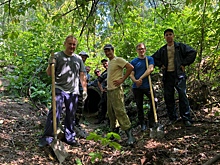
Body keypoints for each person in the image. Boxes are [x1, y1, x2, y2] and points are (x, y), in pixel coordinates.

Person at [38, 35, 87, 147]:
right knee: (55, 112)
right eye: (70, 44)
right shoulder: (58, 55)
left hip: (73, 91)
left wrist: (84, 90)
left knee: (71, 115)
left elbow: (82, 75)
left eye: (74, 44)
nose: (72, 46)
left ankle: (70, 137)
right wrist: (51, 64)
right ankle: (48, 137)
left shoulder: (78, 59)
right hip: (59, 88)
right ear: (65, 44)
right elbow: (50, 73)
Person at [152, 28, 197, 127]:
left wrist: (184, 63)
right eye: (166, 35)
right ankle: (173, 118)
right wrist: (161, 65)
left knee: (182, 95)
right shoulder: (162, 49)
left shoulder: (180, 47)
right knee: (168, 97)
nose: (168, 36)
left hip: (179, 75)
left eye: (170, 34)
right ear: (164, 37)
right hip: (168, 76)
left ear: (173, 35)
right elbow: (153, 58)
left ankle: (186, 118)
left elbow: (192, 52)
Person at [103, 44, 135, 145]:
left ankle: (130, 135)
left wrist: (122, 80)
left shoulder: (118, 60)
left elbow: (130, 67)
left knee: (120, 111)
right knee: (111, 113)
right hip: (109, 90)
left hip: (116, 90)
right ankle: (114, 134)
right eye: (106, 51)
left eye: (109, 51)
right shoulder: (110, 62)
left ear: (113, 50)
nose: (108, 53)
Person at [130, 43, 158, 131]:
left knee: (154, 101)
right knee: (139, 105)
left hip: (147, 86)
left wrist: (140, 79)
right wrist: (135, 81)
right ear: (136, 51)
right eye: (139, 49)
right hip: (137, 87)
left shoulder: (149, 59)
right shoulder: (133, 62)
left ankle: (151, 120)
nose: (141, 50)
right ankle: (142, 123)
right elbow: (131, 74)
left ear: (145, 49)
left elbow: (150, 69)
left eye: (142, 49)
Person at [76, 51, 89, 125]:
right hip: (74, 90)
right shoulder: (75, 65)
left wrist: (85, 91)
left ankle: (77, 123)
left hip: (81, 90)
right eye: (82, 57)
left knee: (80, 108)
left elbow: (85, 80)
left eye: (85, 58)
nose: (84, 59)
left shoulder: (83, 67)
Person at [94, 59, 108, 124]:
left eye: (106, 63)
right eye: (103, 64)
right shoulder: (104, 73)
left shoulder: (113, 70)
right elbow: (99, 81)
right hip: (105, 93)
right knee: (101, 105)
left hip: (113, 91)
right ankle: (100, 120)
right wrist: (102, 90)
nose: (105, 65)